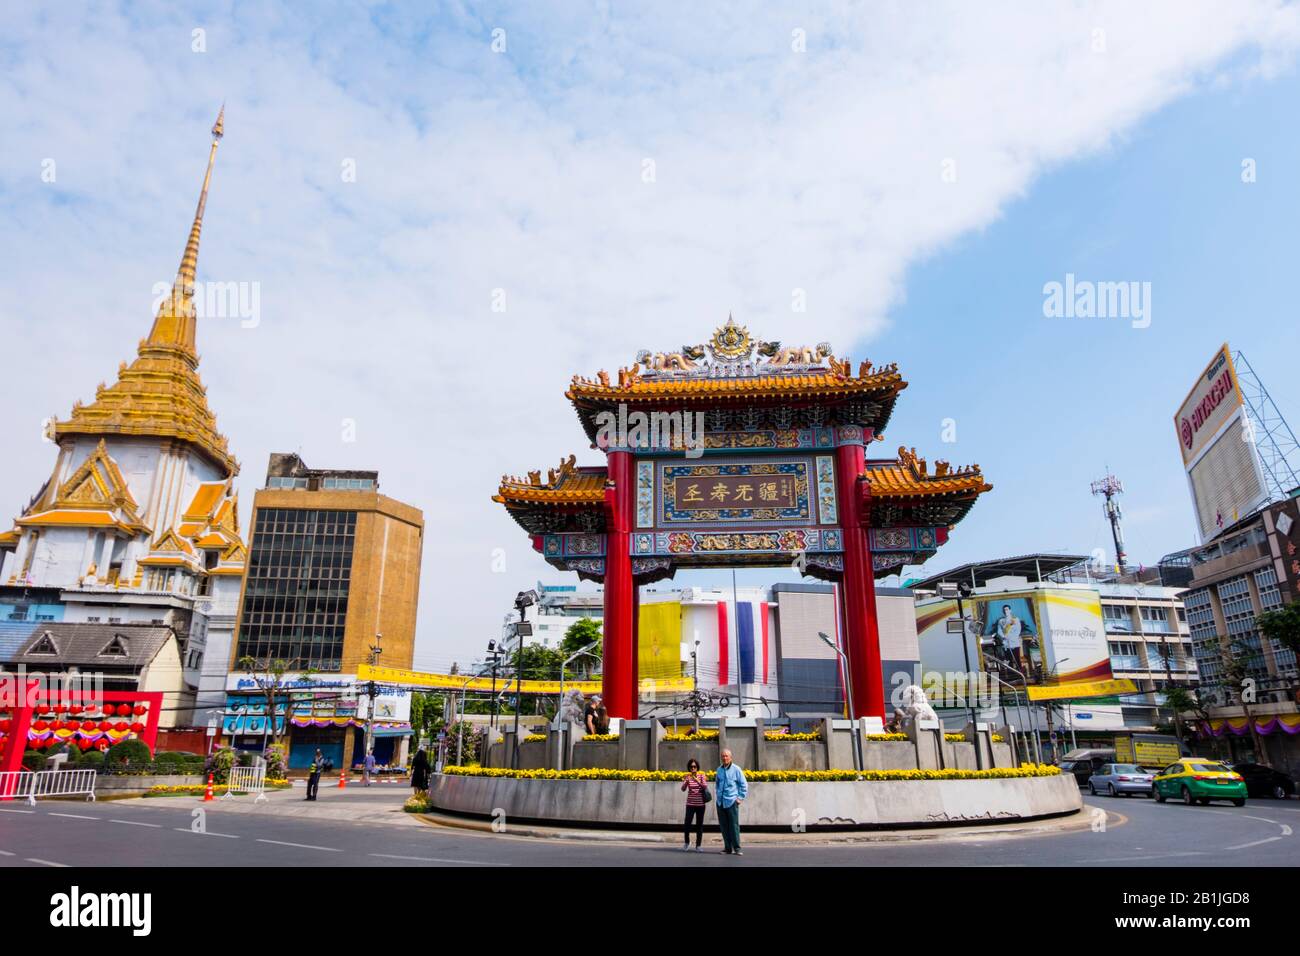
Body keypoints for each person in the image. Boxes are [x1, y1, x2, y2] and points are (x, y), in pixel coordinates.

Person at [714, 748, 748, 855]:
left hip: (732, 801)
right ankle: (727, 848)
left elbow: (744, 785)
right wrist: (718, 796)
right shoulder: (719, 770)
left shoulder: (736, 769)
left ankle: (737, 848)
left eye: (726, 756)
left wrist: (740, 798)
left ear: (730, 757)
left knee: (733, 826)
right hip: (720, 802)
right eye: (723, 756)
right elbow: (717, 784)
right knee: (724, 826)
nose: (724, 758)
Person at [680, 758, 708, 851]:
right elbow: (683, 789)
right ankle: (687, 843)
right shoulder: (687, 777)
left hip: (700, 804)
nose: (693, 768)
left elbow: (705, 786)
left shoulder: (702, 775)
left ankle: (698, 845)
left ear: (697, 767)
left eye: (694, 766)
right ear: (689, 768)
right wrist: (687, 781)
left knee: (699, 825)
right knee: (687, 824)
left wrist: (697, 780)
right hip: (690, 804)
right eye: (691, 767)